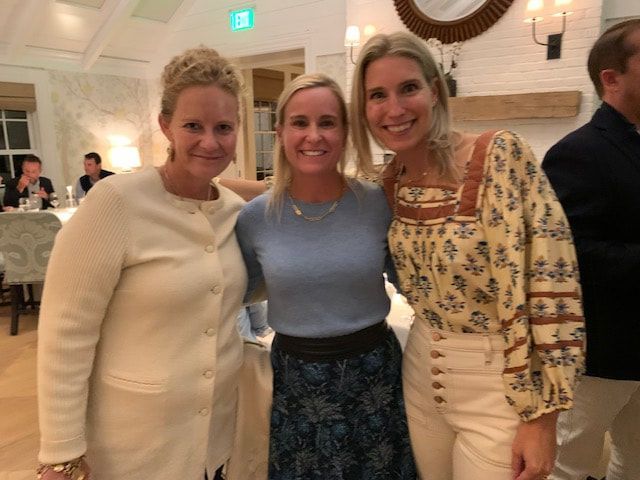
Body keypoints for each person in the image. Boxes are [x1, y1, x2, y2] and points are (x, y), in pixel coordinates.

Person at [349, 31, 585, 480]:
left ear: (434, 91)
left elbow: (552, 281)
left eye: (408, 88)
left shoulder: (498, 155)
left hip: (500, 386)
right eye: (377, 95)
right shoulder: (391, 181)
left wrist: (543, 417)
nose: (394, 109)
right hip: (420, 372)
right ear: (363, 110)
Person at [37, 46, 247, 480]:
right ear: (165, 125)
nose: (210, 141)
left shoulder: (234, 211)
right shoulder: (115, 203)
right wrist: (62, 453)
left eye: (223, 127)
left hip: (214, 440)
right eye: (193, 125)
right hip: (132, 446)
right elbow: (66, 330)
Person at [235, 73, 417, 479]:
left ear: (345, 132)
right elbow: (231, 294)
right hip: (295, 383)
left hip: (374, 379)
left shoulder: (378, 203)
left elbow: (416, 286)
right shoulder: (255, 218)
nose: (313, 136)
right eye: (300, 123)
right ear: (280, 133)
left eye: (327, 122)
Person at [542, 19, 640, 480]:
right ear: (611, 78)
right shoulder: (577, 152)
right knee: (567, 466)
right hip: (598, 355)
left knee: (634, 462)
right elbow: (568, 256)